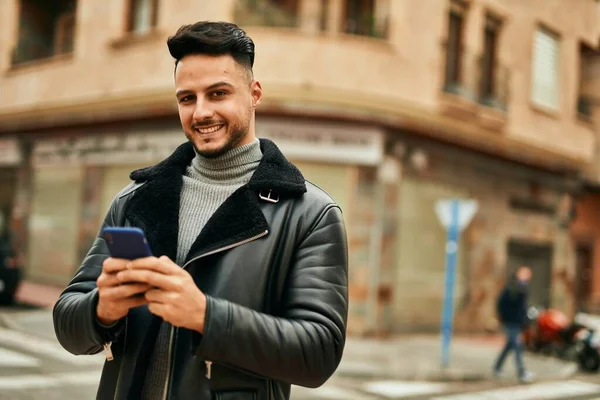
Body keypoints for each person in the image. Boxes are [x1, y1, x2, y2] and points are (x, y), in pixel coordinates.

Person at [53, 21, 348, 400]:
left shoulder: (311, 214)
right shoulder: (134, 200)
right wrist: (102, 309)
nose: (201, 112)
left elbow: (318, 353)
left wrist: (207, 317)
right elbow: (67, 324)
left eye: (218, 93)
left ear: (254, 93)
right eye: (187, 98)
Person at [493, 265, 533, 383]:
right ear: (518, 274)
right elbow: (501, 303)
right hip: (511, 322)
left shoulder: (522, 287)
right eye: (525, 273)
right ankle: (522, 373)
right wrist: (505, 317)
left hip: (517, 322)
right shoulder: (513, 286)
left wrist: (524, 319)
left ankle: (497, 367)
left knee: (509, 345)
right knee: (517, 346)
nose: (527, 276)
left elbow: (521, 306)